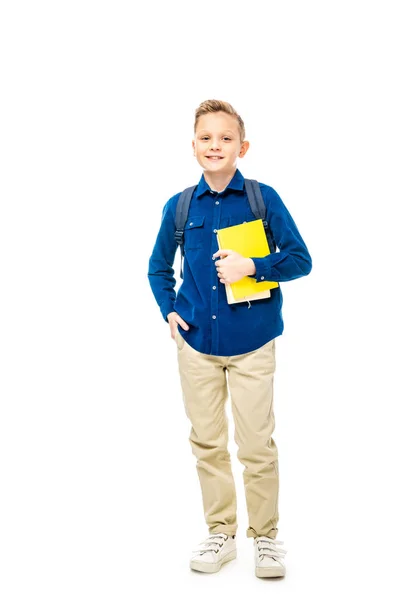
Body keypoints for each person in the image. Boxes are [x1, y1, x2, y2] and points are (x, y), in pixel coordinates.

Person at [147, 99, 312, 578]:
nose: (214, 146)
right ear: (193, 146)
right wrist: (170, 311)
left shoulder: (263, 200)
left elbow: (300, 259)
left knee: (257, 443)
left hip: (253, 343)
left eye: (224, 138)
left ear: (242, 147)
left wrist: (254, 268)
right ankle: (221, 531)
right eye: (205, 138)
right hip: (196, 345)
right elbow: (159, 268)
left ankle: (266, 539)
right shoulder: (180, 206)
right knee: (207, 442)